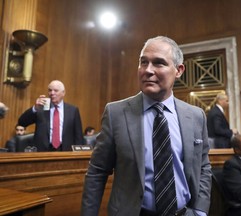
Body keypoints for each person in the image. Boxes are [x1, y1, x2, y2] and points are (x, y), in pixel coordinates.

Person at [81, 36, 212, 216]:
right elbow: (97, 172)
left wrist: (200, 210)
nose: (148, 70)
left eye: (159, 63)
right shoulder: (116, 113)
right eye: (143, 62)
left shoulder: (196, 116)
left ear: (179, 70)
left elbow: (203, 166)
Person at [18, 80, 84, 151]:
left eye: (56, 90)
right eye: (50, 90)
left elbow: (78, 135)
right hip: (43, 152)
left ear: (63, 93)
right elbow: (22, 122)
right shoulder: (41, 108)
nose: (52, 93)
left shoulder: (73, 110)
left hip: (65, 151)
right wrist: (35, 108)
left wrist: (78, 154)